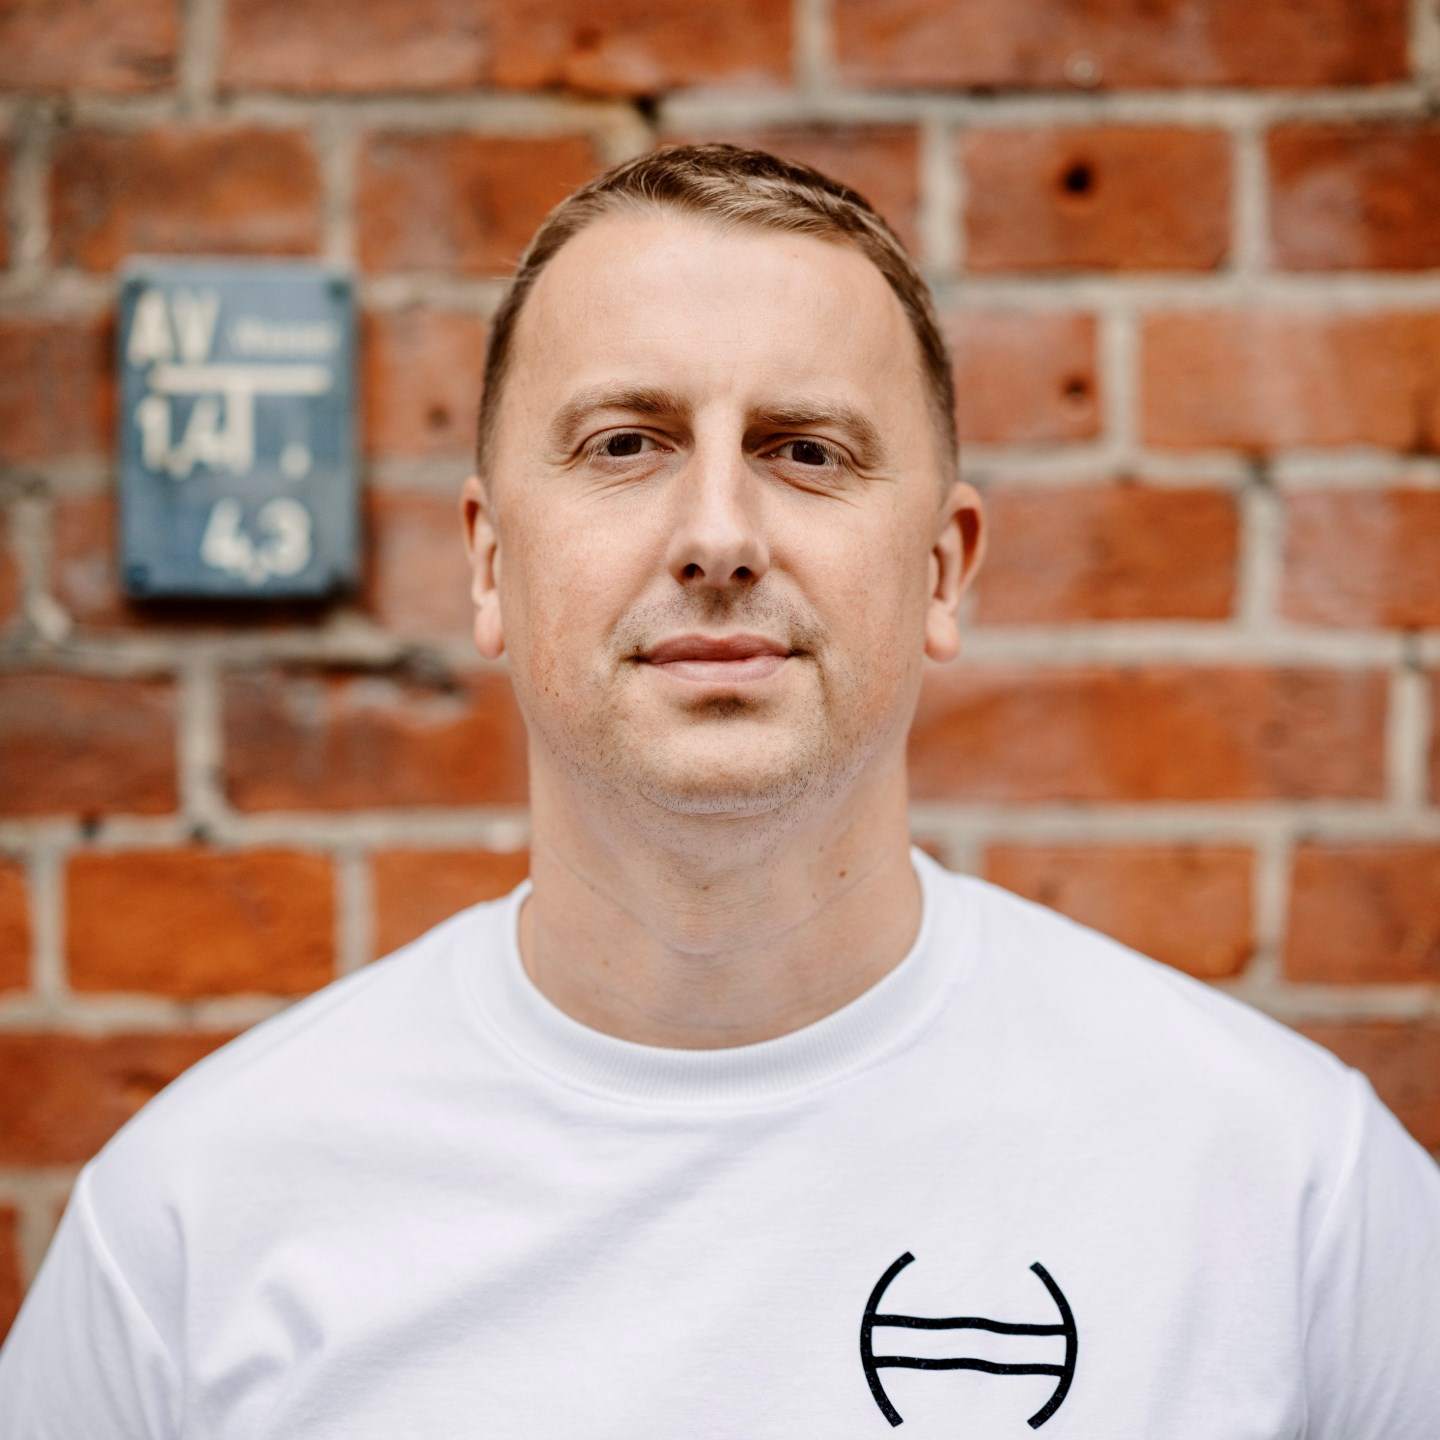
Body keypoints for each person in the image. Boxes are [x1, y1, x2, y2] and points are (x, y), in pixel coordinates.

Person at [1, 144, 1437, 1438]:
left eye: (805, 451)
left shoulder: (1284, 1186)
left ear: (943, 569)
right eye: (625, 444)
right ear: (491, 563)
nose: (718, 534)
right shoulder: (198, 1224)